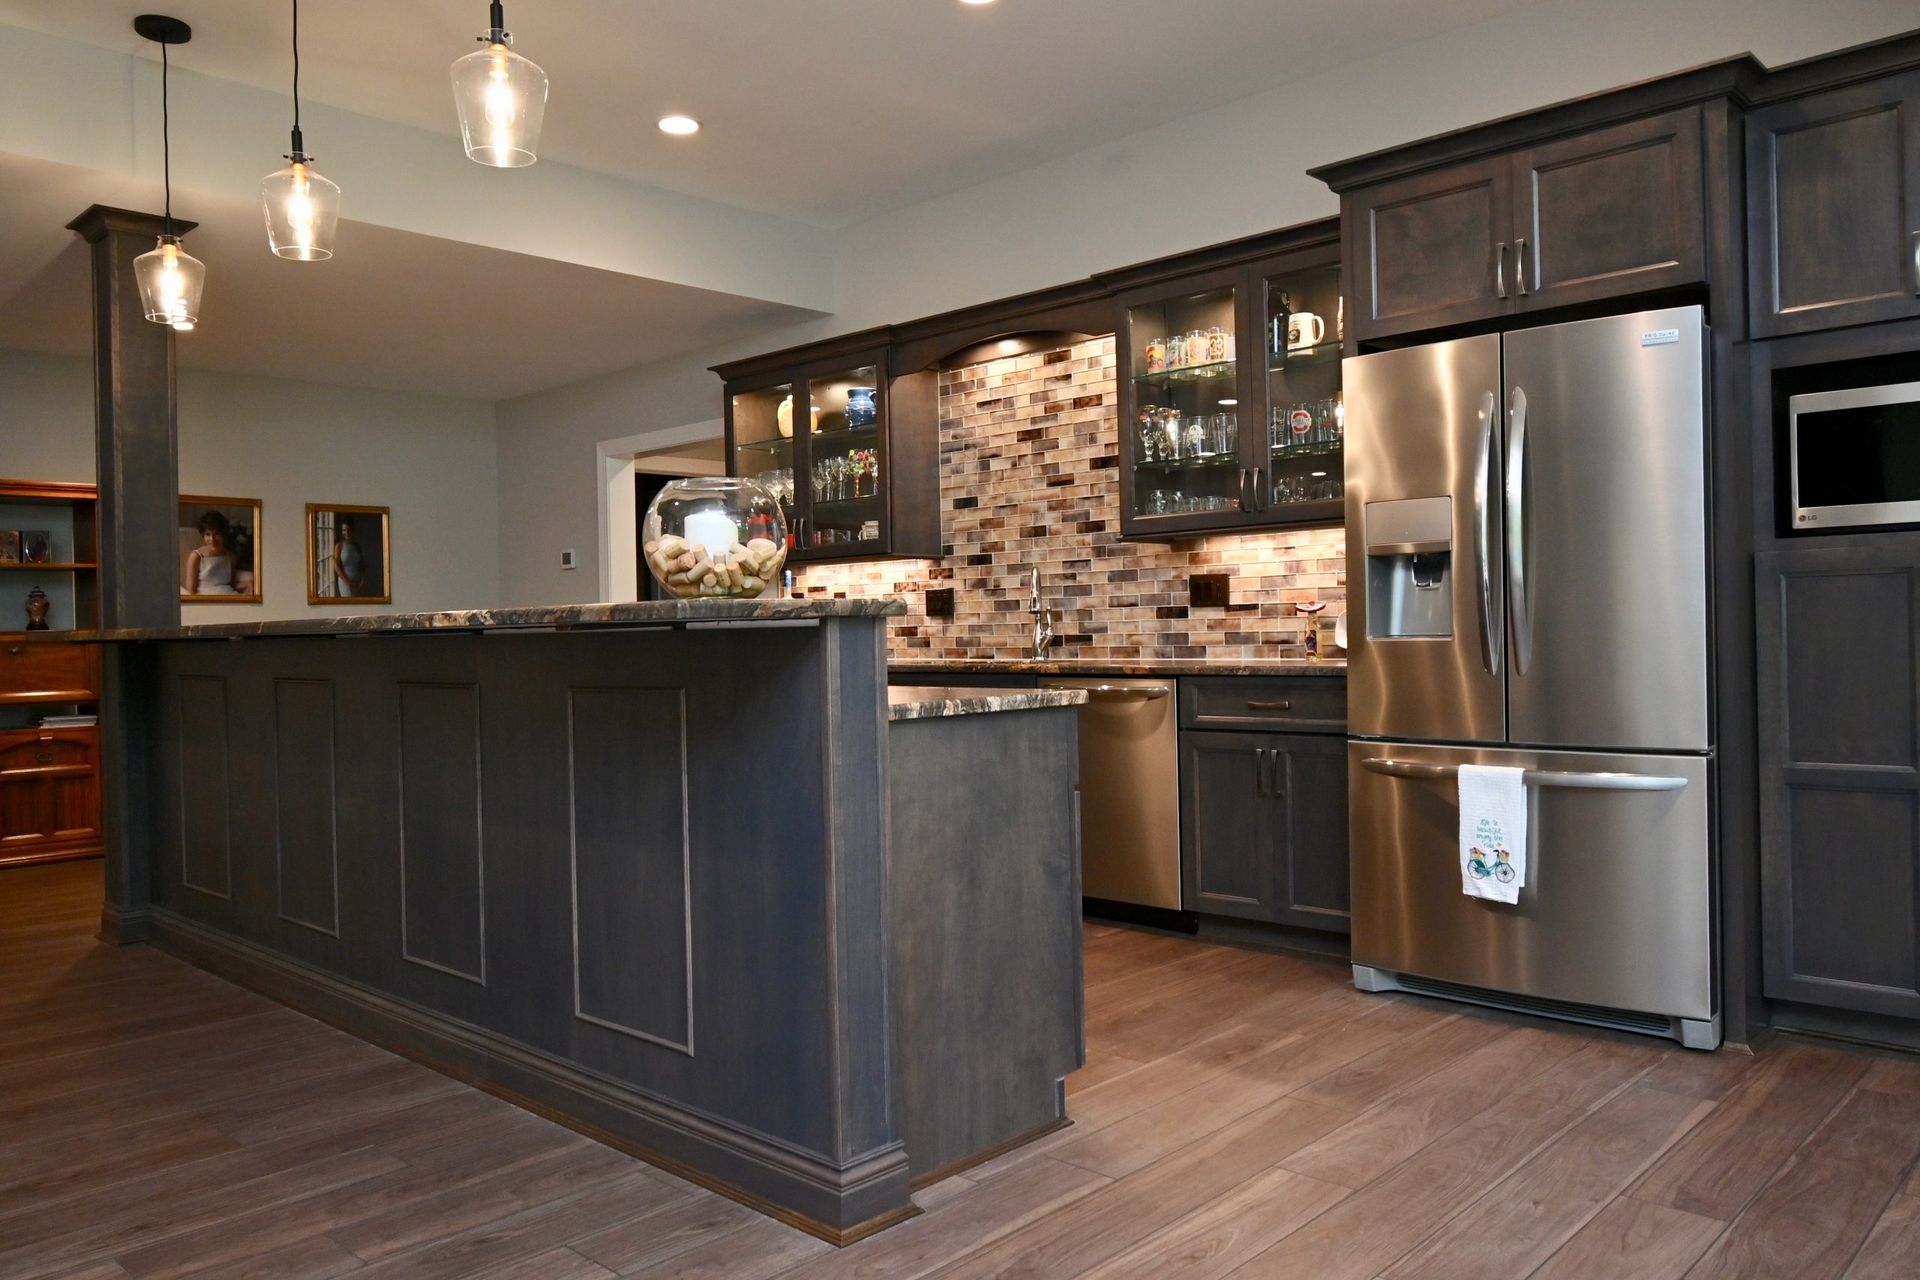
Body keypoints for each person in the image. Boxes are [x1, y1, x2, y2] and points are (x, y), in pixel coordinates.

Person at [182, 510, 239, 596]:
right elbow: (191, 590)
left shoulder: (231, 556)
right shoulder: (196, 556)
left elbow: (231, 584)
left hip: (230, 596)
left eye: (216, 533)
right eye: (208, 534)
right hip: (206, 600)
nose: (212, 539)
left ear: (223, 534)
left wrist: (248, 584)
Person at [327, 516, 365, 597]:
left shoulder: (357, 546)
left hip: (358, 583)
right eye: (344, 530)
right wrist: (347, 582)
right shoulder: (339, 546)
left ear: (353, 530)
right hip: (345, 583)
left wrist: (362, 579)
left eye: (349, 529)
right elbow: (336, 567)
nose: (346, 532)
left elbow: (361, 565)